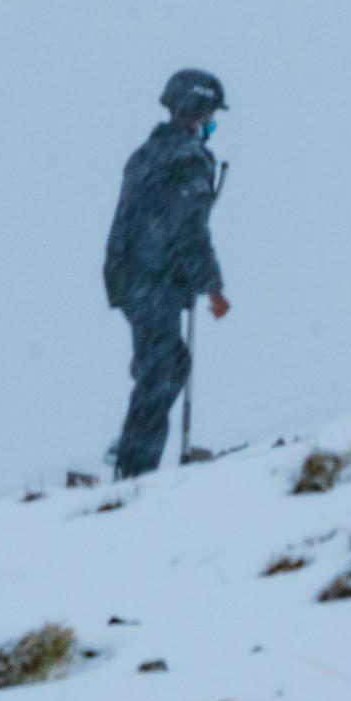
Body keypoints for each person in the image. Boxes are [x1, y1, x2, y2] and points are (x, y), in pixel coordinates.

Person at [102, 69, 229, 478]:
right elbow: (189, 228)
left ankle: (131, 453)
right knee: (165, 367)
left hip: (132, 276)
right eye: (210, 114)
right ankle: (133, 466)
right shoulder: (188, 158)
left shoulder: (148, 153)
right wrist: (212, 286)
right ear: (198, 111)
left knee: (163, 362)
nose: (212, 122)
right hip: (154, 277)